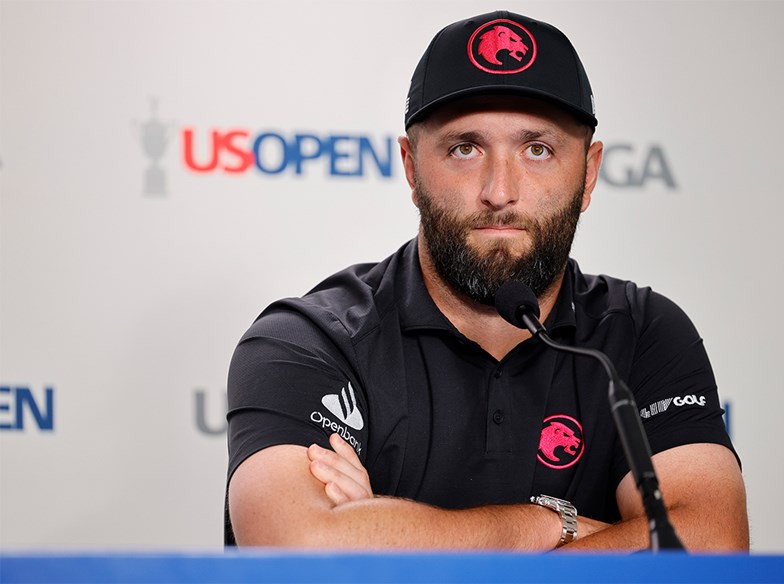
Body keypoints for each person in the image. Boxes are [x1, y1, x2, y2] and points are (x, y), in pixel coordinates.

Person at [225, 10, 748, 551]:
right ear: (410, 167)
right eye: (464, 148)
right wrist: (548, 526)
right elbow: (298, 547)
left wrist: (383, 534)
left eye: (537, 149)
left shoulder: (639, 334)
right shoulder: (313, 340)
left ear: (589, 173)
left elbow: (707, 546)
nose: (500, 190)